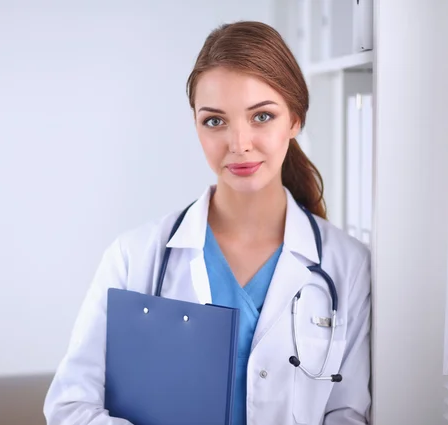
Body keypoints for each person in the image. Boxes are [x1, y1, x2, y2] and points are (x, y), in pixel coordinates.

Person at [43, 20, 371, 425]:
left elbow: (348, 413)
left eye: (262, 117)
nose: (239, 143)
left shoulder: (347, 266)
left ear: (295, 120)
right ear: (196, 124)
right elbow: (70, 406)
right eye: (215, 121)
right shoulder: (134, 257)